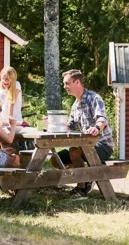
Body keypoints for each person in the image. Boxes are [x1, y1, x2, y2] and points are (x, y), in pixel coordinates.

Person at [50, 69, 114, 197]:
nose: (65, 86)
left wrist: (96, 127)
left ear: (77, 82)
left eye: (67, 83)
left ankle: (81, 188)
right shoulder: (75, 105)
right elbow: (70, 125)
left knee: (75, 151)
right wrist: (54, 123)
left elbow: (102, 119)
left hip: (103, 145)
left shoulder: (94, 98)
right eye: (64, 83)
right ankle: (86, 175)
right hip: (85, 146)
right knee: (56, 159)